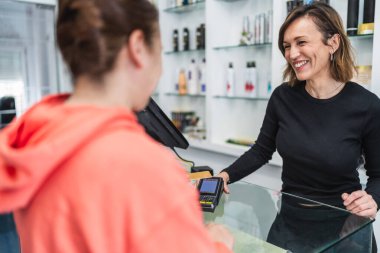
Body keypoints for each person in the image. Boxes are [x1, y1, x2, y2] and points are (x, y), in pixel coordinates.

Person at [0, 0, 233, 252]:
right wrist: (219, 245)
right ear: (137, 47)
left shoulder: (32, 137)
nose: (161, 67)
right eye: (160, 51)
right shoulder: (145, 166)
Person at [218, 2, 380, 226]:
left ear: (333, 43)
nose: (292, 54)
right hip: (289, 219)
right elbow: (261, 151)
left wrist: (373, 200)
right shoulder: (282, 98)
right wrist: (224, 176)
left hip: (344, 224)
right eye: (286, 46)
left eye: (301, 42)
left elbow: (378, 174)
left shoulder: (366, 105)